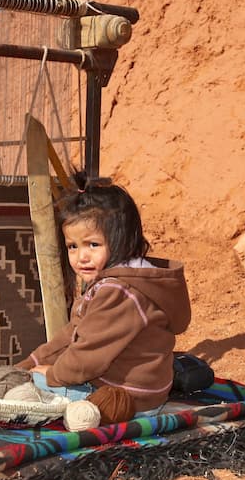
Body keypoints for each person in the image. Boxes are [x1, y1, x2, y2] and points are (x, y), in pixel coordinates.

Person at [14, 172, 191, 416]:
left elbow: (88, 356)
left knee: (25, 388)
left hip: (125, 397)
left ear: (121, 240)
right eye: (72, 246)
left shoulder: (119, 291)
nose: (81, 256)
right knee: (26, 376)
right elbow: (72, 335)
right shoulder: (119, 281)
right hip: (142, 393)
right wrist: (29, 364)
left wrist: (51, 375)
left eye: (93, 244)